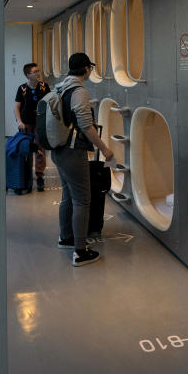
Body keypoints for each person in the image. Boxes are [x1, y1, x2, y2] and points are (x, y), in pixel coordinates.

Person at [50, 52, 114, 266]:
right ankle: (80, 251)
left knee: (68, 196)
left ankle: (65, 237)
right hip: (72, 152)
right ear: (86, 69)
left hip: (58, 150)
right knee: (82, 200)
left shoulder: (60, 87)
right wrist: (104, 149)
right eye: (90, 68)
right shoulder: (79, 91)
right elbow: (85, 126)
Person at [14, 63, 50, 191]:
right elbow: (17, 108)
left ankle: (39, 176)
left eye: (38, 70)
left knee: (40, 148)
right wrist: (19, 122)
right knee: (26, 148)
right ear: (28, 75)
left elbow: (49, 104)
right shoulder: (22, 89)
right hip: (26, 123)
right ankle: (25, 176)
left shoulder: (44, 87)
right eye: (35, 71)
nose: (38, 73)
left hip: (40, 123)